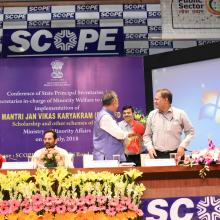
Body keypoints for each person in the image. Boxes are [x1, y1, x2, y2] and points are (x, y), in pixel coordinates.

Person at [143, 88, 195, 160]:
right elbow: (146, 135)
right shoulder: (152, 114)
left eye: (157, 99)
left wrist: (183, 146)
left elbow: (191, 132)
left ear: (166, 100)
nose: (155, 102)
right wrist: (150, 147)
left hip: (176, 154)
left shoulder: (180, 114)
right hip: (157, 155)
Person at [93, 91, 132, 161]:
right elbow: (120, 135)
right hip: (107, 160)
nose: (118, 105)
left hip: (109, 158)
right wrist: (132, 134)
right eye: (117, 102)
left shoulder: (105, 115)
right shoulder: (105, 117)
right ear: (114, 102)